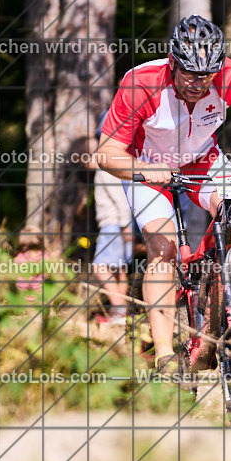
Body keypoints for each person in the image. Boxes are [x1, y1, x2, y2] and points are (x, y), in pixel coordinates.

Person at [96, 15, 231, 375]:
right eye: (190, 73)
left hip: (202, 160)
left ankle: (215, 305)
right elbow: (105, 154)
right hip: (147, 166)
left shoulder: (230, 76)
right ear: (172, 62)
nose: (199, 83)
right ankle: (167, 353)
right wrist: (146, 170)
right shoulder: (141, 83)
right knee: (164, 248)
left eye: (207, 74)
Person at [87, 113, 134, 326]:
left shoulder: (107, 165)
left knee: (100, 267)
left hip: (113, 224)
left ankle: (120, 310)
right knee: (119, 270)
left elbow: (120, 199)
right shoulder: (114, 164)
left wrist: (125, 227)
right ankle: (118, 315)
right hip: (120, 224)